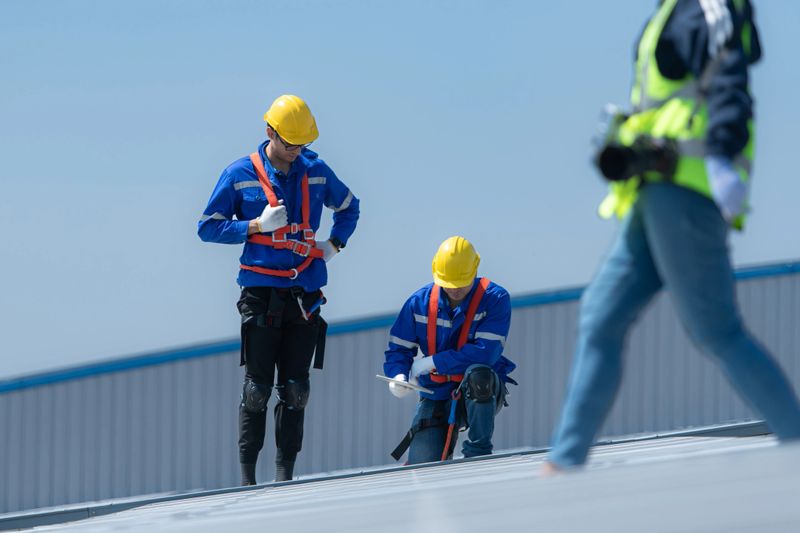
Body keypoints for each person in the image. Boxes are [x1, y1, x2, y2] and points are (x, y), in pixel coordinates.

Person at [544, 0, 800, 473]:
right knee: (601, 316)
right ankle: (563, 462)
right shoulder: (675, 9)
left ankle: (796, 440)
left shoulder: (710, 6)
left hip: (684, 187)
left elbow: (729, 77)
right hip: (652, 190)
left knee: (718, 332)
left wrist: (723, 157)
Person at [198, 94, 360, 484]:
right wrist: (254, 226)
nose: (296, 152)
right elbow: (208, 227)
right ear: (270, 132)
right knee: (257, 388)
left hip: (304, 293)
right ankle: (247, 480)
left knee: (296, 389)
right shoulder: (239, 174)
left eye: (302, 144)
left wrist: (335, 244)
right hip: (260, 292)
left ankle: (285, 475)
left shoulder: (317, 171)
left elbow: (350, 207)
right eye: (290, 144)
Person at [383, 236, 516, 464]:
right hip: (435, 393)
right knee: (423, 466)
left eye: (461, 283)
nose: (454, 290)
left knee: (479, 375)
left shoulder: (495, 299)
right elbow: (399, 348)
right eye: (448, 283)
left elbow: (486, 353)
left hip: (480, 391)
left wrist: (431, 362)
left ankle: (478, 452)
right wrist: (398, 375)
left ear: (475, 269)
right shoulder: (418, 303)